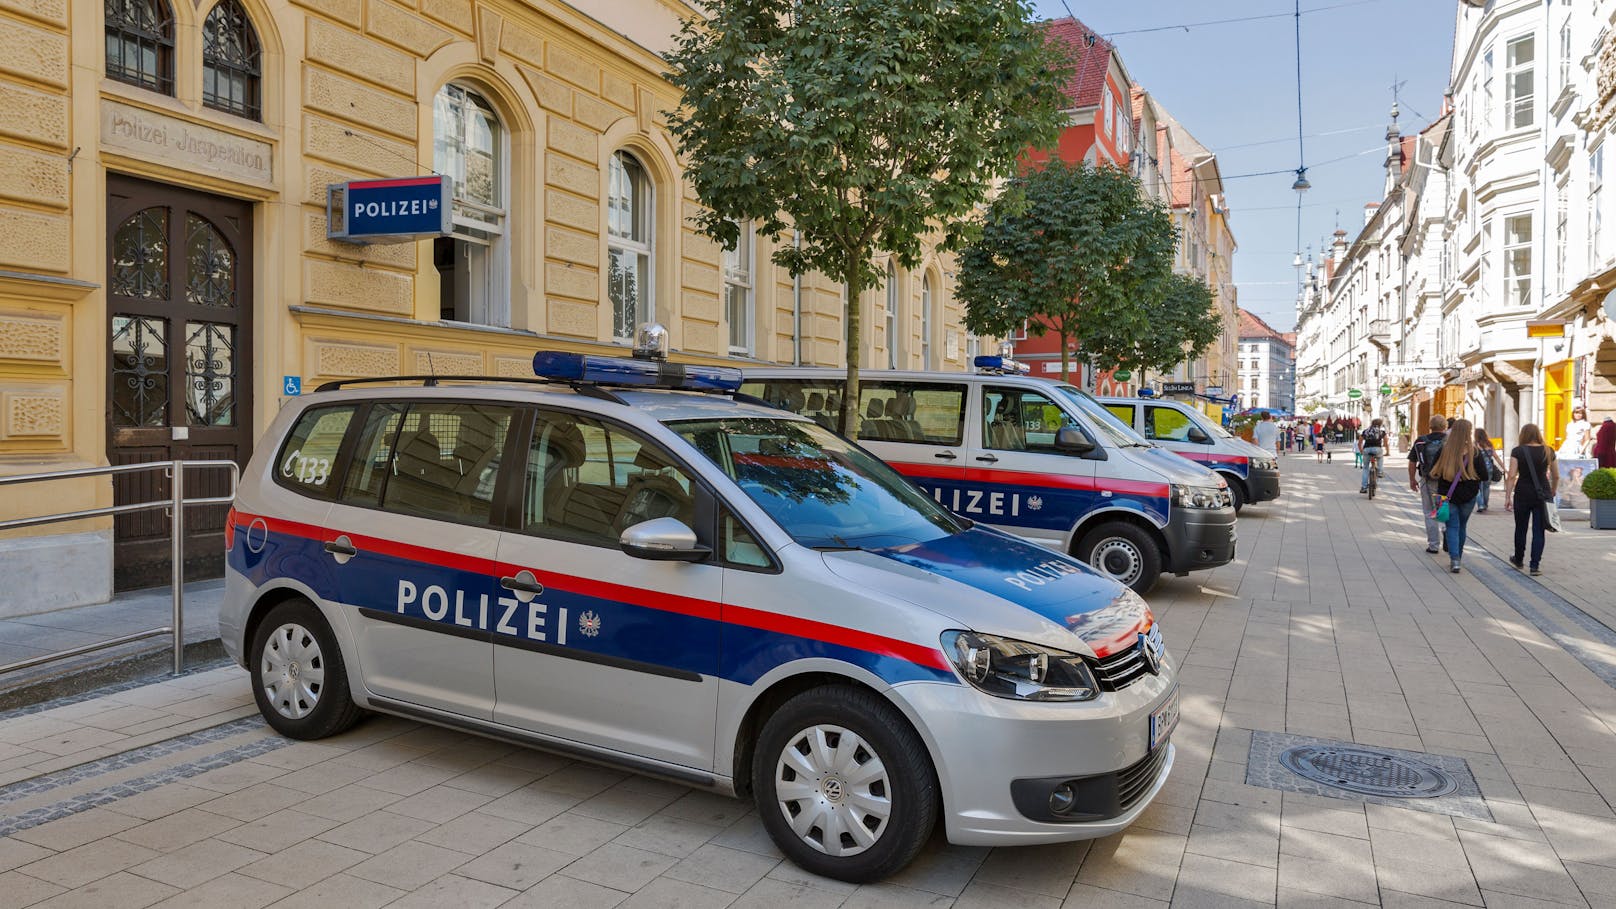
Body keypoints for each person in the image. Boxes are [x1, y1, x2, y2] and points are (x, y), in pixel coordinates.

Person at [1427, 418, 1489, 573]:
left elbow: (1433, 471)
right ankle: (1458, 557)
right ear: (1469, 432)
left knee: (1452, 526)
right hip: (1469, 495)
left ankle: (1455, 560)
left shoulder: (1445, 449)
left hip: (1447, 495)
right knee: (1462, 526)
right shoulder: (1475, 452)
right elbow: (1484, 475)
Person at [1504, 423, 1559, 576]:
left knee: (1520, 527)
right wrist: (1553, 490)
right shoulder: (1548, 451)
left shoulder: (1517, 451)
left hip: (1523, 492)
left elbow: (1512, 475)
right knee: (1539, 530)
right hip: (1543, 493)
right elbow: (1556, 475)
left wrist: (1508, 496)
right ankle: (1535, 565)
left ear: (1523, 435)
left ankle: (1519, 559)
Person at [1408, 414, 1449, 553]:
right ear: (1445, 426)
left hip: (1427, 480)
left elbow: (1412, 462)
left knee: (1429, 511)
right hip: (1447, 482)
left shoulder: (1420, 441)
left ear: (1430, 426)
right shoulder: (1449, 441)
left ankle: (1433, 545)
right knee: (1445, 509)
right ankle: (1445, 529)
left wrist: (1412, 479)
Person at [1474, 427, 1501, 513]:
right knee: (1486, 487)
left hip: (1477, 469)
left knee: (1478, 488)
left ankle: (1481, 504)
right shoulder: (1489, 444)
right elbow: (1496, 457)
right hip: (1489, 469)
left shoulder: (1475, 444)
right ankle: (1485, 504)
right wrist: (1503, 467)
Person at [1358, 417, 1388, 493]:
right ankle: (1380, 472)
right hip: (1377, 449)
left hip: (1367, 450)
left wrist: (1361, 450)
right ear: (1380, 424)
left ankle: (1364, 487)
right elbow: (1386, 442)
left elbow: (1360, 442)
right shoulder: (1381, 432)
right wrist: (1387, 451)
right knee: (1380, 458)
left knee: (1365, 468)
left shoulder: (1366, 431)